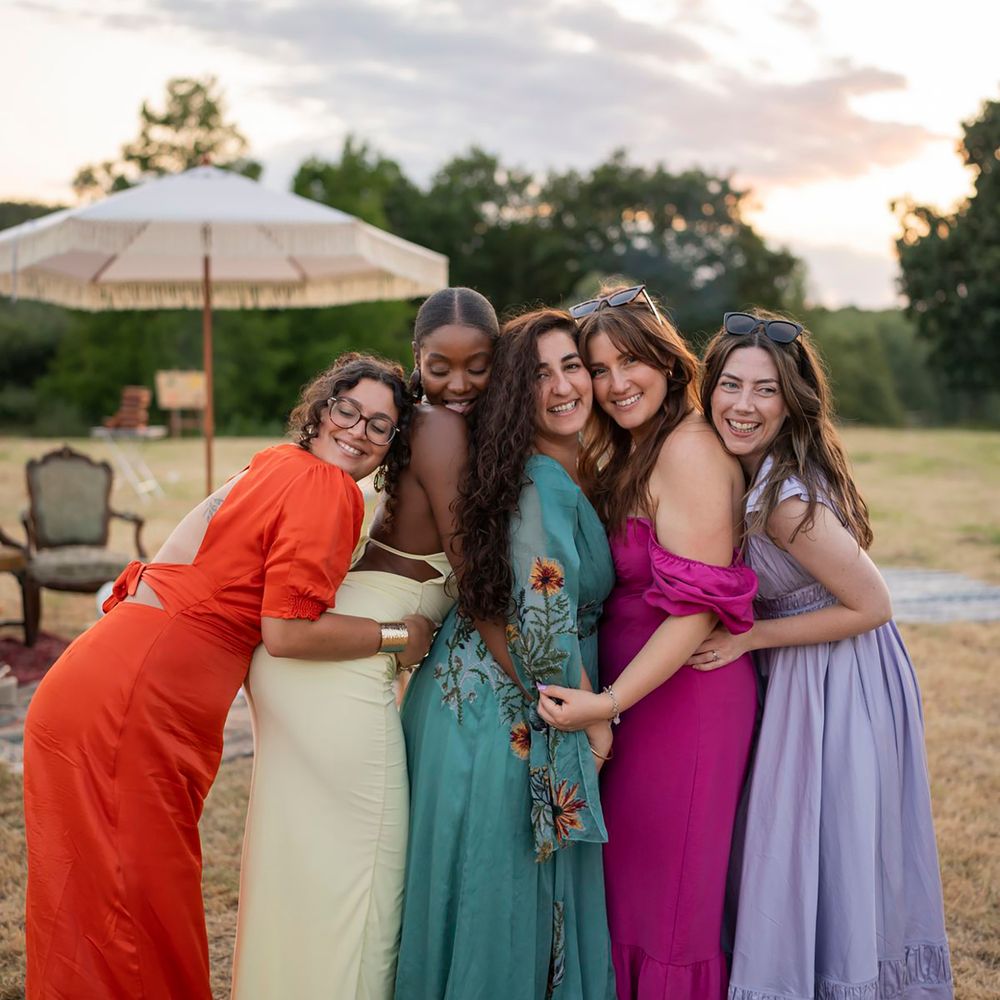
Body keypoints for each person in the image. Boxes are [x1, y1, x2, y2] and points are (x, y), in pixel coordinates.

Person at [22, 354, 431, 1000]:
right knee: (136, 910)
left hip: (100, 679)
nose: (357, 430)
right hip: (133, 704)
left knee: (97, 904)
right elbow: (287, 632)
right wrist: (399, 636)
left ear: (393, 444)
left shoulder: (275, 463)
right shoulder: (325, 487)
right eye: (347, 410)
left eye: (379, 426)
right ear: (322, 410)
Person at [230, 287, 499, 1000]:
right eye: (440, 367)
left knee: (305, 873)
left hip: (315, 667)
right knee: (368, 880)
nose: (459, 384)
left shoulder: (424, 427)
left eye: (478, 367)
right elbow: (476, 575)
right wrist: (535, 682)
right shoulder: (437, 429)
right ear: (417, 360)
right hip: (339, 668)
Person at [691, 311, 953, 1000]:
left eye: (766, 390)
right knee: (812, 839)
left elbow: (873, 605)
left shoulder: (784, 498)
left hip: (842, 672)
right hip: (816, 666)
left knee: (830, 837)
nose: (744, 405)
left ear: (792, 402)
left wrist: (752, 638)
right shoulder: (751, 470)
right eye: (731, 384)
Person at [536, 285, 758, 999]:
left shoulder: (690, 448)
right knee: (633, 901)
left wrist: (606, 705)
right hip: (636, 700)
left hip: (684, 703)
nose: (615, 383)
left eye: (629, 361)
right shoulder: (635, 448)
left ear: (666, 360)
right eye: (598, 369)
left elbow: (697, 612)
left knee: (670, 912)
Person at [395, 309, 618, 1000]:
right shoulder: (539, 480)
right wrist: (597, 718)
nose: (562, 386)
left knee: (492, 896)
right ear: (513, 393)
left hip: (492, 695)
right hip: (504, 715)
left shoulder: (566, 468)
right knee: (501, 899)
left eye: (572, 367)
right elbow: (542, 620)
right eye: (538, 375)